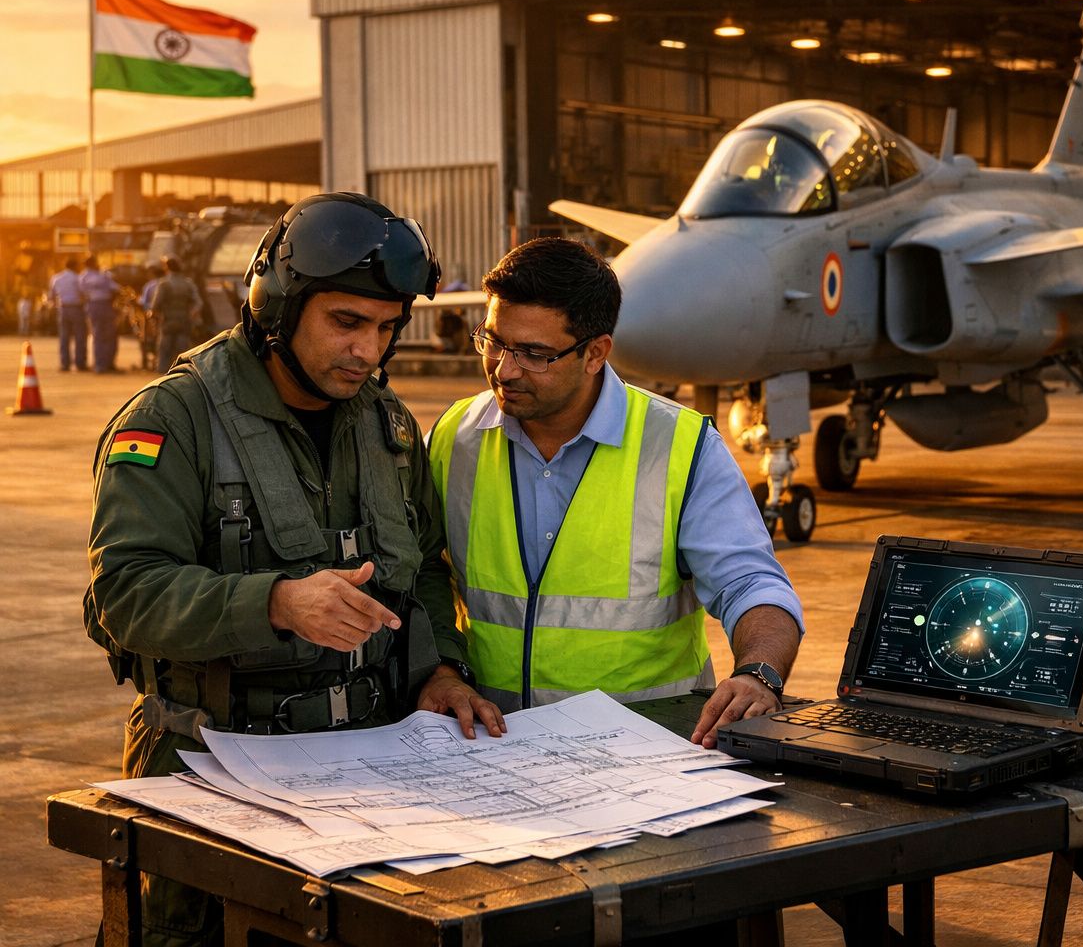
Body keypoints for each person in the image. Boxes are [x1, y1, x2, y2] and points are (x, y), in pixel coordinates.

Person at [86, 192, 503, 947]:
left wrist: (441, 670)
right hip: (213, 771)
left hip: (363, 777)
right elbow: (124, 592)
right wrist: (273, 602)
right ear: (278, 305)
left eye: (385, 328)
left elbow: (426, 571)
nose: (368, 351)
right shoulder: (172, 421)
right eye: (346, 323)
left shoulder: (389, 427)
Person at [427, 237, 803, 749]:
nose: (504, 369)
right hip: (494, 750)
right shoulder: (454, 438)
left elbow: (753, 585)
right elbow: (421, 578)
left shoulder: (679, 446)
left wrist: (758, 675)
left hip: (649, 752)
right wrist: (442, 671)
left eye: (534, 354)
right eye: (493, 341)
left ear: (595, 354)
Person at [150, 255, 204, 372]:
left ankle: (162, 374)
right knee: (182, 349)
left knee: (164, 349)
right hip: (184, 320)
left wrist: (153, 315)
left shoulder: (164, 284)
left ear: (166, 267)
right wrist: (193, 313)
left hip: (168, 320)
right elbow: (199, 302)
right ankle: (181, 372)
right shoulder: (188, 283)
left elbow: (155, 305)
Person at [80, 255, 121, 372]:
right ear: (94, 263)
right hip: (106, 305)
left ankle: (99, 365)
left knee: (97, 335)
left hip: (92, 305)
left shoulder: (82, 277)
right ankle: (109, 363)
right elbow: (116, 288)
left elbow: (81, 292)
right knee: (110, 335)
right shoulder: (104, 275)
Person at [46, 257, 87, 371]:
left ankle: (65, 363)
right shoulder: (78, 278)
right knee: (80, 337)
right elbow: (83, 293)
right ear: (74, 266)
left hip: (63, 309)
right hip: (76, 308)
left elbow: (51, 296)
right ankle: (80, 363)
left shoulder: (56, 278)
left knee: (64, 337)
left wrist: (55, 306)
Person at [139, 260, 166, 370]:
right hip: (166, 316)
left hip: (152, 316)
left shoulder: (150, 286)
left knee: (148, 339)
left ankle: (151, 364)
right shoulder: (166, 283)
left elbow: (144, 302)